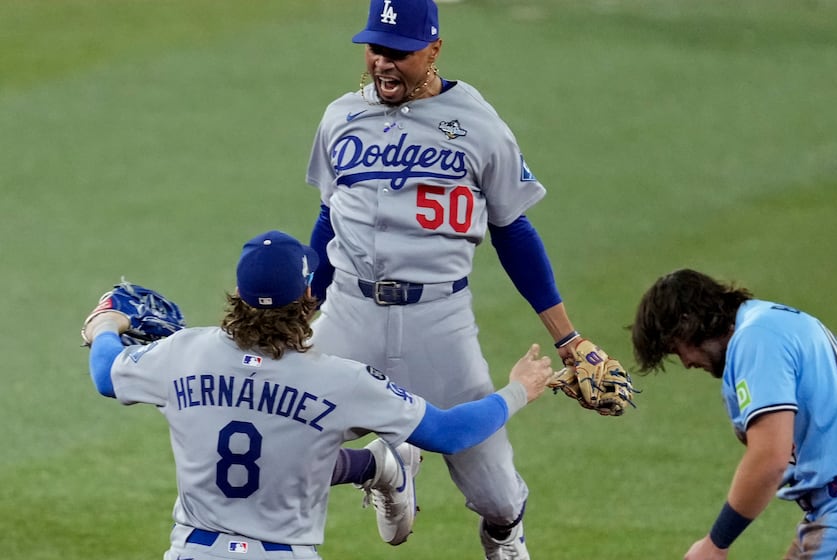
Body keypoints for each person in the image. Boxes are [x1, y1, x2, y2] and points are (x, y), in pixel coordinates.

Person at [302, 0, 625, 557]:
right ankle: (382, 466)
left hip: (439, 323)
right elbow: (328, 219)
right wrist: (298, 312)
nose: (383, 63)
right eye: (376, 48)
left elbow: (514, 231)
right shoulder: (339, 117)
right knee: (282, 447)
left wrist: (568, 338)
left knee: (496, 493)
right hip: (348, 315)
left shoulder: (478, 125)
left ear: (434, 49)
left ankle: (504, 536)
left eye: (400, 54)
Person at [81, 229, 555, 560]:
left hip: (193, 551)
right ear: (309, 293)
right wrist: (519, 390)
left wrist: (106, 323)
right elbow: (450, 434)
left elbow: (106, 374)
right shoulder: (344, 381)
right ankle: (377, 466)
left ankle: (376, 468)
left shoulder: (183, 352)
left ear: (238, 295)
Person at [630, 269, 837, 559]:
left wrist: (715, 543)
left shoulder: (755, 339)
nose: (686, 362)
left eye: (676, 348)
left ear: (688, 322)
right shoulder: (771, 321)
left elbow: (770, 458)